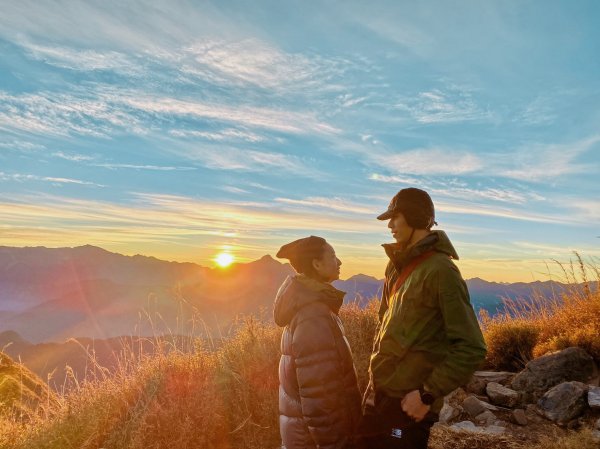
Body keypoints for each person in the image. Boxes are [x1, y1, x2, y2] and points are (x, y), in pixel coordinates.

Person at [360, 188, 487, 449]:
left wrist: (427, 394)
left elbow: (471, 347)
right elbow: (383, 328)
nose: (390, 226)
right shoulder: (395, 266)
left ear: (416, 217)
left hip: (409, 406)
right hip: (380, 397)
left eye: (395, 217)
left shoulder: (442, 271)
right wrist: (373, 385)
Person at [274, 236, 362, 449]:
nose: (339, 262)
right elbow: (319, 399)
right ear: (316, 263)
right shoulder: (313, 316)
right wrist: (336, 444)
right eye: (332, 256)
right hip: (316, 442)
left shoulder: (310, 307)